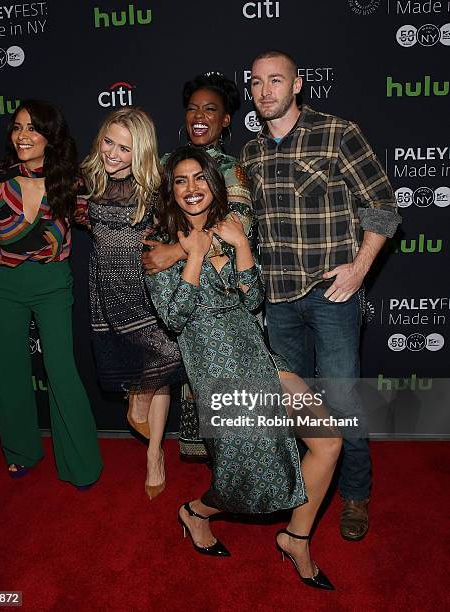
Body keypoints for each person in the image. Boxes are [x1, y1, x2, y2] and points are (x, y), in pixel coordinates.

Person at [146, 146, 342, 590]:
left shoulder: (231, 228)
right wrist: (192, 256)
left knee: (328, 441)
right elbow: (175, 318)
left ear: (214, 184)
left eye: (199, 178)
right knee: (248, 481)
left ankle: (296, 537)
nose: (192, 188)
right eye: (181, 180)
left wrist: (242, 246)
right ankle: (195, 512)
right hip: (216, 368)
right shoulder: (157, 243)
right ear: (171, 190)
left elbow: (253, 301)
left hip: (259, 355)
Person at [241, 50, 401, 541]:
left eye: (276, 80)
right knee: (295, 408)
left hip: (332, 298)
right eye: (257, 82)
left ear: (298, 85)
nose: (266, 90)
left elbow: (383, 207)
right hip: (279, 301)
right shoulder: (251, 154)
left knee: (341, 399)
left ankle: (355, 494)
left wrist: (358, 270)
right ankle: (297, 489)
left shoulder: (337, 133)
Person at [0, 99, 103, 488]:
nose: (23, 136)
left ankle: (80, 463)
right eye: (17, 127)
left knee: (61, 370)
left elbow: (94, 218)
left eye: (32, 128)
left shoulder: (71, 181)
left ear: (51, 136)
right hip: (5, 282)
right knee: (10, 369)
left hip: (51, 284)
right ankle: (20, 450)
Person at [142, 72, 254, 456]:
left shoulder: (232, 168)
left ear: (226, 120)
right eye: (192, 109)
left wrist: (177, 251)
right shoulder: (163, 164)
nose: (199, 116)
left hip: (223, 295)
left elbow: (239, 228)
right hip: (176, 291)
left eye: (210, 109)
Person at [77, 107, 185, 499]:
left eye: (125, 148)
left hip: (145, 288)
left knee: (167, 358)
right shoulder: (86, 180)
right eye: (109, 141)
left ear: (140, 152)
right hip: (106, 290)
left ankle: (154, 454)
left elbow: (183, 229)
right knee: (150, 369)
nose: (113, 153)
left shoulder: (155, 189)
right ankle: (148, 435)